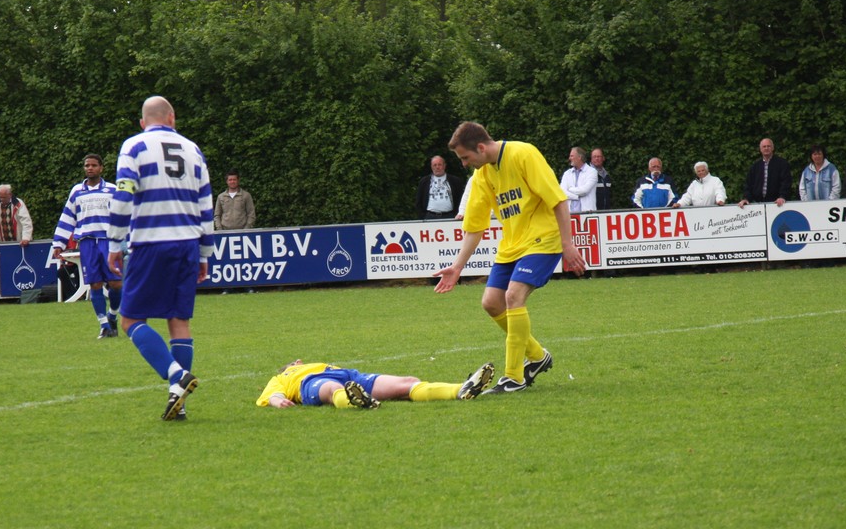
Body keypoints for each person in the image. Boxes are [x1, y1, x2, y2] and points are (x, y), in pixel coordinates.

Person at [433, 121, 586, 393]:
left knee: (513, 296)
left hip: (543, 239)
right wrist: (457, 267)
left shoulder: (523, 154)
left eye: (465, 157)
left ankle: (514, 378)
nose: (465, 164)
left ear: (481, 148)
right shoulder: (482, 175)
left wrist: (567, 243)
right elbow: (475, 227)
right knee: (491, 303)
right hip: (512, 245)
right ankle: (538, 356)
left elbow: (558, 200)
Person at [107, 96, 213, 421]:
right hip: (187, 244)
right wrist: (205, 253)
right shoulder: (193, 150)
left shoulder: (134, 146)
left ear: (142, 122)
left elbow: (123, 195)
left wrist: (114, 242)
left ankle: (175, 375)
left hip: (151, 242)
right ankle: (180, 401)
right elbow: (206, 206)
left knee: (129, 319)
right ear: (172, 118)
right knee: (178, 320)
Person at [53, 153, 122, 338]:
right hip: (87, 242)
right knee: (95, 283)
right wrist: (59, 243)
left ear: (101, 168)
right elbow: (67, 217)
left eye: (93, 165)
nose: (90, 168)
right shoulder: (77, 191)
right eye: (87, 165)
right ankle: (104, 325)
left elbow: (123, 215)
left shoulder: (112, 190)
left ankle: (112, 315)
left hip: (108, 241)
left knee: (116, 283)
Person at [257, 359, 495, 409]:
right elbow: (272, 395)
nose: (296, 362)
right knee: (332, 390)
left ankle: (460, 389)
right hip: (310, 384)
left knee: (408, 382)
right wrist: (278, 402)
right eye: (293, 363)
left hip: (349, 375)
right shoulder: (283, 377)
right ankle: (356, 402)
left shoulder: (318, 363)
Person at [738, 137, 791, 207]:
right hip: (758, 204)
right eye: (764, 146)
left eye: (768, 146)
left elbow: (786, 182)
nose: (766, 148)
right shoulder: (755, 166)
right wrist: (746, 199)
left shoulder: (782, 164)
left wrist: (782, 196)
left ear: (773, 148)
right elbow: (748, 185)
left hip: (777, 204)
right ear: (760, 149)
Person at [0, 184, 33, 248]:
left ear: (10, 195)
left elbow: (26, 222)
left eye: (4, 197)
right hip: (2, 243)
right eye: (0, 197)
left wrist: (26, 238)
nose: (1, 199)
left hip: (20, 242)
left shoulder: (18, 204)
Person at [559, 147, 598, 213]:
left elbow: (584, 191)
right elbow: (562, 192)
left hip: (587, 214)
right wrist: (576, 196)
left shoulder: (592, 172)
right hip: (570, 214)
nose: (569, 158)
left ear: (579, 157)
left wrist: (569, 189)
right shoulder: (567, 173)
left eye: (572, 156)